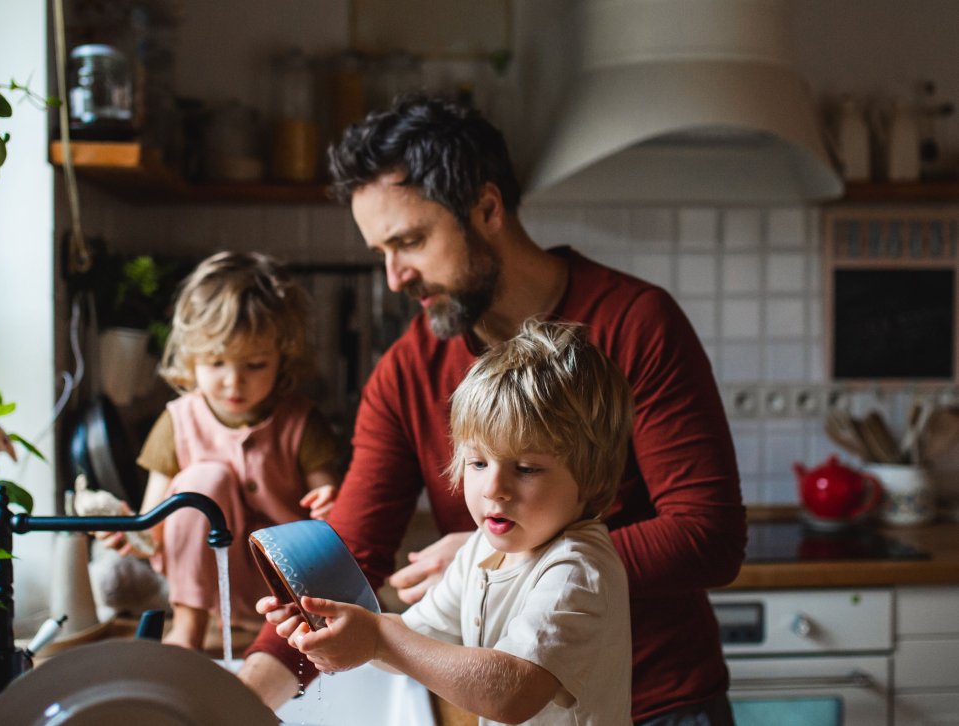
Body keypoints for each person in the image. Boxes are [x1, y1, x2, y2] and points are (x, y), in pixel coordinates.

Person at [237, 96, 746, 725]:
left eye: (411, 241)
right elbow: (348, 556)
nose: (395, 277)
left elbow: (708, 534)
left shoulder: (636, 324)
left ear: (486, 207)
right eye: (381, 252)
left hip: (662, 703)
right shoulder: (407, 371)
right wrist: (238, 702)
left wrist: (512, 556)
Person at [281, 320, 634, 725]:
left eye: (526, 468)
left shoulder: (575, 569)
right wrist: (342, 629)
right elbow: (413, 642)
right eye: (479, 462)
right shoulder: (481, 550)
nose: (493, 488)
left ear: (593, 477)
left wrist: (379, 639)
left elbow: (512, 694)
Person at [104, 251, 341, 651]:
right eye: (216, 363)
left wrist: (330, 503)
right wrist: (131, 531)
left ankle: (279, 635)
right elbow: (154, 524)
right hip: (208, 590)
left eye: (254, 365)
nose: (234, 382)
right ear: (192, 358)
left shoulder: (300, 421)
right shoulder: (177, 421)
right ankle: (188, 630)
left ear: (282, 358)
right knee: (202, 481)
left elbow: (334, 507)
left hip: (288, 587)